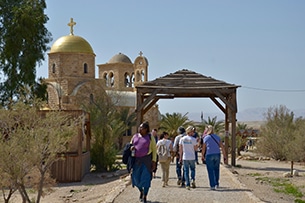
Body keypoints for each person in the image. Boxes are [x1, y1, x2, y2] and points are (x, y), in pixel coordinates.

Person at [130, 122, 157, 203]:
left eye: (142, 128)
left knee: (146, 179)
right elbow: (130, 145)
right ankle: (141, 191)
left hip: (146, 160)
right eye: (139, 127)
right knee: (135, 178)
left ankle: (145, 195)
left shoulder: (150, 137)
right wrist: (131, 148)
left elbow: (154, 150)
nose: (140, 129)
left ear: (146, 129)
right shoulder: (135, 136)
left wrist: (154, 161)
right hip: (136, 160)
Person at [201, 125, 227, 190]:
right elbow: (222, 147)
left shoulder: (206, 138)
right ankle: (216, 183)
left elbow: (204, 148)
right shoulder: (217, 137)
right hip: (217, 154)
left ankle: (212, 185)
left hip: (209, 154)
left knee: (210, 170)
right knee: (216, 169)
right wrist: (224, 156)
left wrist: (202, 155)